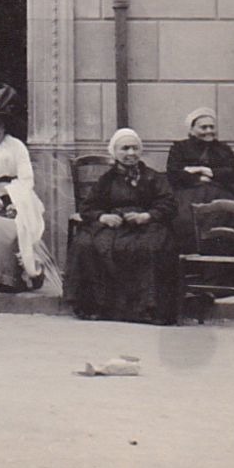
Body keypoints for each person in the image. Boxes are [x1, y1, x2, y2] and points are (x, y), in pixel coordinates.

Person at [65, 128, 179, 324]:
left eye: (135, 148)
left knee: (150, 247)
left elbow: (168, 203)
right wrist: (103, 217)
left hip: (145, 226)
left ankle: (146, 309)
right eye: (125, 148)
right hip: (113, 225)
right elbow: (88, 207)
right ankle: (98, 307)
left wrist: (147, 215)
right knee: (86, 244)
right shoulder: (106, 180)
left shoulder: (153, 177)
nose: (130, 153)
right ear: (115, 152)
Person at [0, 89, 56, 292]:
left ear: (4, 126)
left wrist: (17, 200)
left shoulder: (16, 146)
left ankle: (12, 278)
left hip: (16, 193)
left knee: (15, 227)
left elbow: (26, 178)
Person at [166, 107, 234, 245]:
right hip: (187, 194)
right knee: (186, 220)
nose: (209, 131)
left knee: (225, 219)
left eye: (212, 127)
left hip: (219, 193)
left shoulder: (223, 149)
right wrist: (200, 177)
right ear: (191, 130)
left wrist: (206, 171)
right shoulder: (179, 148)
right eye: (203, 127)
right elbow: (174, 174)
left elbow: (232, 173)